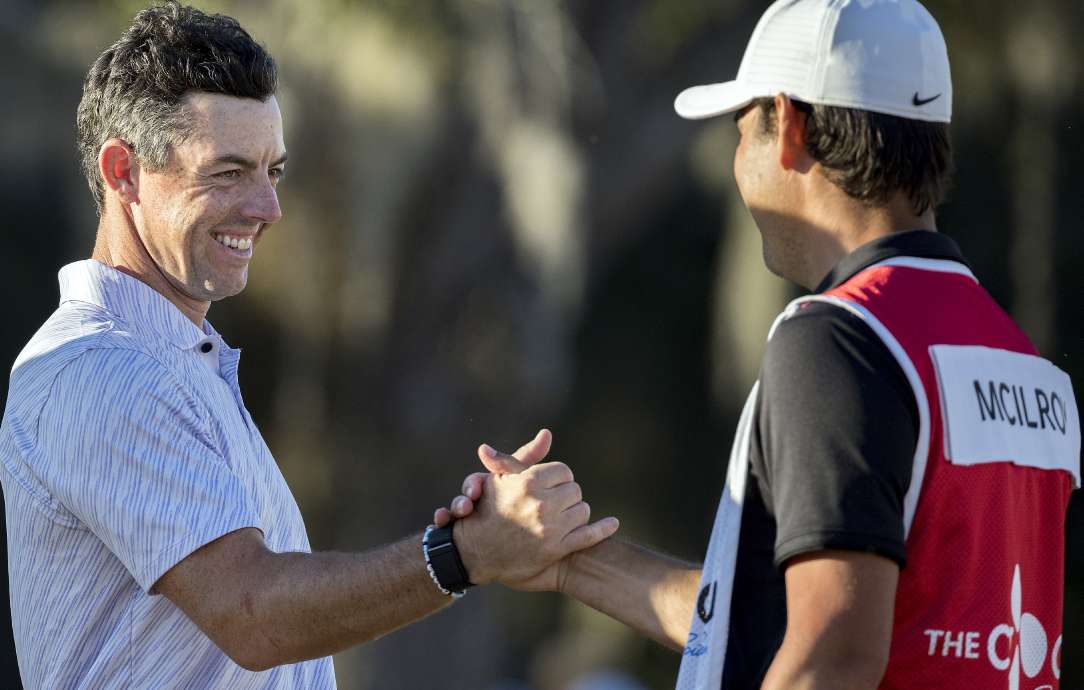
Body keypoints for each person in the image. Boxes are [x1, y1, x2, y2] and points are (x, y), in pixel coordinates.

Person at [440, 0, 1081, 687]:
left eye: (741, 130)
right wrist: (567, 562)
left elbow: (831, 652)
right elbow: (774, 625)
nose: (736, 158)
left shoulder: (842, 337)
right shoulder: (1025, 363)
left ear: (791, 127)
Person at [0, 3, 618, 688]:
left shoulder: (169, 361)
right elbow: (256, 616)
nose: (268, 208)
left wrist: (472, 545)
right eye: (228, 172)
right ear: (123, 172)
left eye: (274, 170)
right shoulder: (103, 371)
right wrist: (462, 554)